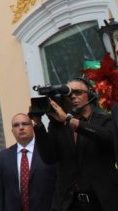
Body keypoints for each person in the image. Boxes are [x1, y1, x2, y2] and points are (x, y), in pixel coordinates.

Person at [32, 77, 118, 211]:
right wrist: (38, 124)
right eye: (68, 94)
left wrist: (69, 120)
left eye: (77, 92)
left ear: (89, 93)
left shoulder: (104, 120)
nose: (73, 97)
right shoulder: (58, 124)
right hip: (69, 203)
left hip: (102, 202)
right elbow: (49, 158)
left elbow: (108, 137)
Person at [0, 113, 55, 211]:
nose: (21, 128)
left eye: (25, 124)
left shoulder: (47, 151)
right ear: (12, 131)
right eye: (16, 125)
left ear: (32, 127)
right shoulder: (4, 156)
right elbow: (1, 191)